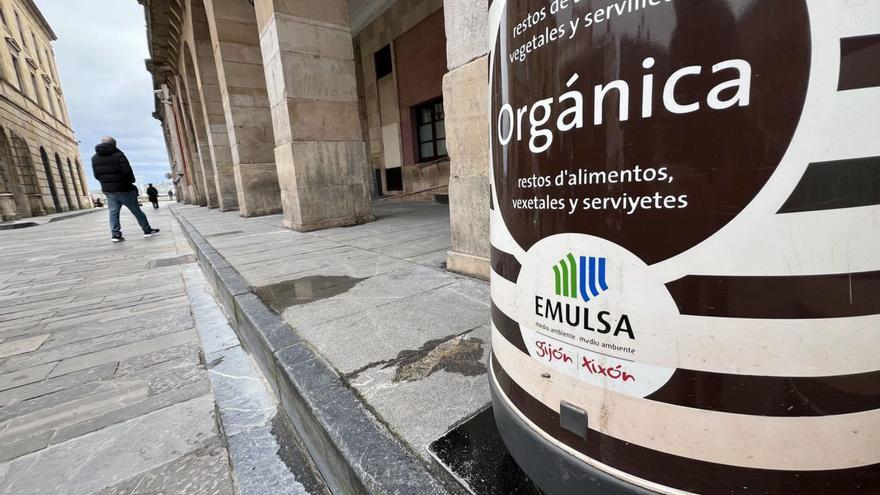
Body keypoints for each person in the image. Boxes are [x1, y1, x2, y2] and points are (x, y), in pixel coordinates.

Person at [91, 136, 160, 243]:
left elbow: (96, 175)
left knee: (113, 213)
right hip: (125, 189)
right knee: (137, 211)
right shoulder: (118, 155)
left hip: (109, 191)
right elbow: (127, 172)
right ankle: (147, 230)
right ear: (114, 144)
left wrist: (106, 184)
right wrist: (130, 182)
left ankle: (116, 235)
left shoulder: (94, 158)